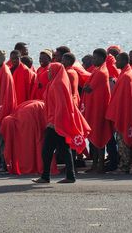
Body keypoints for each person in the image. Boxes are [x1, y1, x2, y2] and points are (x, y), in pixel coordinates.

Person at [32, 53, 91, 184]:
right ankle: (70, 176)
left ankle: (46, 176)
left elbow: (61, 105)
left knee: (47, 150)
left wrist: (54, 123)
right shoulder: (56, 82)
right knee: (64, 149)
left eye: (49, 70)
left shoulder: (57, 84)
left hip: (55, 123)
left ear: (54, 71)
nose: (47, 72)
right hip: (57, 122)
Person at [105, 52, 132, 174]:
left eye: (118, 60)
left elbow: (123, 99)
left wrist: (119, 114)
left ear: (125, 61)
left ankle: (124, 166)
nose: (116, 63)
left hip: (124, 114)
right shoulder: (126, 74)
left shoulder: (126, 76)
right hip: (124, 113)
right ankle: (124, 165)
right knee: (123, 141)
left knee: (123, 141)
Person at [81, 48, 113, 174]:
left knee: (99, 138)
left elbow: (88, 88)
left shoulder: (101, 72)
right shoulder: (98, 70)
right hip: (95, 108)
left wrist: (86, 87)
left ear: (102, 58)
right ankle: (95, 164)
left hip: (99, 110)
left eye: (95, 58)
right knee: (95, 138)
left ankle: (99, 165)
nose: (93, 60)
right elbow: (87, 87)